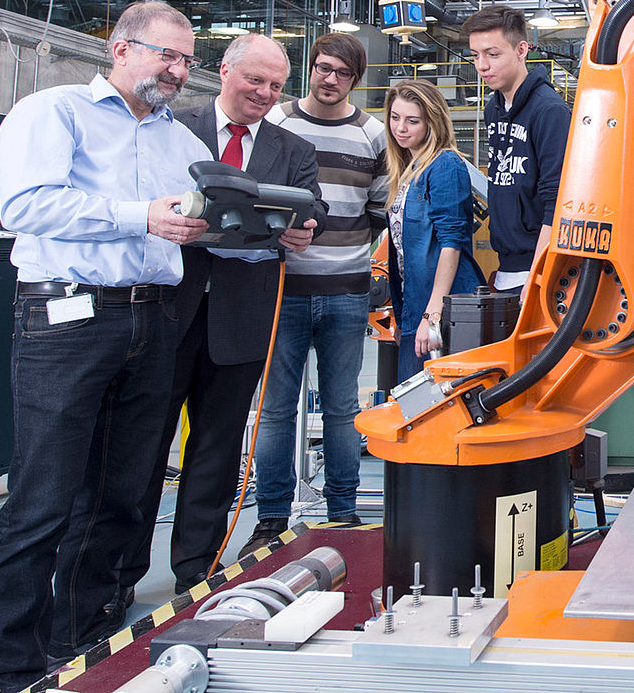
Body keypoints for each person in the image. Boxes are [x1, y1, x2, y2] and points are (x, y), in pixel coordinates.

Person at [0, 1, 211, 693]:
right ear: (120, 49)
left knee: (122, 496)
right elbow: (25, 206)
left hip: (154, 320)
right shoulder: (54, 113)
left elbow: (200, 218)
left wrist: (261, 225)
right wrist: (141, 216)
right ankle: (8, 667)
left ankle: (79, 642)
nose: (177, 70)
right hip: (66, 321)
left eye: (186, 60)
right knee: (43, 498)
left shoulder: (183, 145)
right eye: (166, 54)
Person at [118, 34, 325, 596]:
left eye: (276, 86)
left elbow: (313, 205)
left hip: (242, 314)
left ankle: (197, 573)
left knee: (216, 445)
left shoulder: (292, 148)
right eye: (254, 80)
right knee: (142, 447)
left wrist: (306, 228)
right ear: (225, 70)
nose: (263, 93)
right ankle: (118, 575)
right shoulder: (170, 126)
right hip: (165, 311)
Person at [244, 32, 387, 552]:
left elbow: (378, 209)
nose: (330, 80)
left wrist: (346, 252)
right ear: (311, 68)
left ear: (356, 80)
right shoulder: (277, 122)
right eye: (323, 68)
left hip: (347, 290)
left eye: (342, 73)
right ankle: (272, 518)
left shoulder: (372, 134)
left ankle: (343, 512)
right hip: (283, 287)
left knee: (343, 407)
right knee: (276, 407)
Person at [463, 4, 570, 295]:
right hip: (505, 270)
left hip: (537, 273)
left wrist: (539, 276)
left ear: (521, 50)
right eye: (475, 56)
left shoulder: (549, 110)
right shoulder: (493, 109)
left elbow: (557, 199)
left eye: (493, 54)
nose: (482, 66)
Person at [384, 78, 487, 379]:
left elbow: (451, 243)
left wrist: (433, 315)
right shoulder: (407, 169)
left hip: (442, 310)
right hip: (416, 305)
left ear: (432, 123)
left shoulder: (444, 165)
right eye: (395, 117)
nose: (401, 128)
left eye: (412, 121)